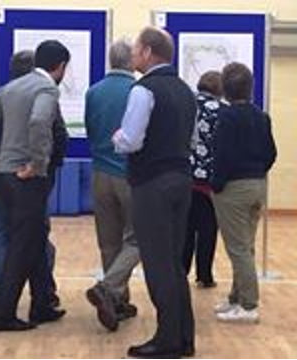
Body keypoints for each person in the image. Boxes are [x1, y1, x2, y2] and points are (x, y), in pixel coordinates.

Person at [112, 27, 197, 358]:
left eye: (136, 49)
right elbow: (190, 141)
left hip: (151, 183)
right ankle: (184, 336)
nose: (133, 54)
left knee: (158, 263)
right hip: (181, 180)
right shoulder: (185, 90)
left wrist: (116, 137)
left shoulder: (143, 90)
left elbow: (131, 140)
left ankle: (167, 339)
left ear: (148, 52)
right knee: (174, 263)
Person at [0, 40, 70, 332]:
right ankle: (2, 315)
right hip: (25, 178)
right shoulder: (47, 88)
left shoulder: (12, 87)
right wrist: (38, 164)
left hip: (2, 175)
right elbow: (41, 120)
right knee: (23, 245)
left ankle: (42, 303)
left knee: (34, 238)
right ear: (61, 67)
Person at [212, 62, 277, 324]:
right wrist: (258, 171)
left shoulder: (226, 117)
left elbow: (222, 156)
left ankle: (249, 305)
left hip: (233, 189)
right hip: (258, 185)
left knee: (238, 249)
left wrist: (217, 185)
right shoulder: (262, 116)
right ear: (250, 88)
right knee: (245, 247)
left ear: (225, 90)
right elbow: (272, 154)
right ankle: (236, 298)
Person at [84, 39, 141, 332]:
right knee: (137, 238)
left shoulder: (93, 91)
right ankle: (109, 289)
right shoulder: (138, 91)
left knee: (108, 242)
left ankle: (117, 301)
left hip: (99, 172)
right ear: (131, 61)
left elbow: (91, 130)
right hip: (130, 174)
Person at [184, 71, 224, 289]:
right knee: (208, 228)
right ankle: (204, 275)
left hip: (184, 177)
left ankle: (182, 271)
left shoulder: (186, 105)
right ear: (220, 89)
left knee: (186, 227)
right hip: (209, 181)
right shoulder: (222, 111)